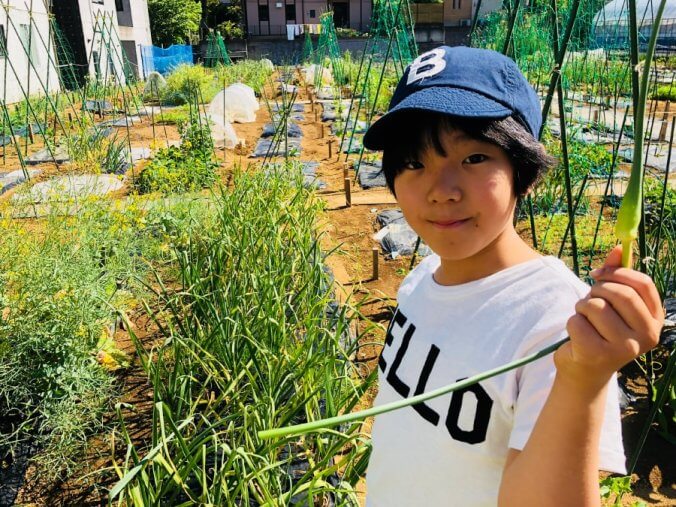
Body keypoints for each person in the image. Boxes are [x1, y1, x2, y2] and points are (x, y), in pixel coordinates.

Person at [361, 46, 664, 506]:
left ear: (524, 172)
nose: (441, 191)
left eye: (474, 159)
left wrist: (582, 380)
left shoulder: (560, 323)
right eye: (413, 163)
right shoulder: (420, 281)